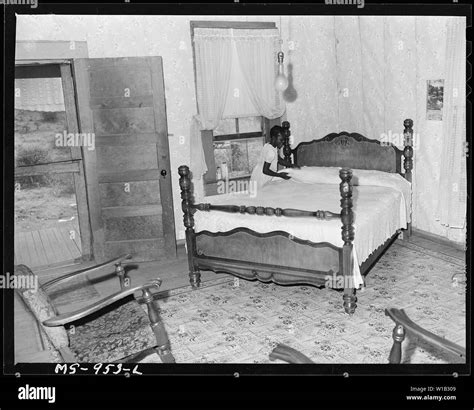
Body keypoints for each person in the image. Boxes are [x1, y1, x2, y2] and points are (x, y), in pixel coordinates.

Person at [250, 125, 295, 191]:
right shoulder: (271, 152)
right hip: (262, 177)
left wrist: (292, 165)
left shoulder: (269, 145)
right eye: (281, 140)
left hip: (257, 173)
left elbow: (279, 160)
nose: (283, 142)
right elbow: (265, 170)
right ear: (274, 138)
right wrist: (280, 175)